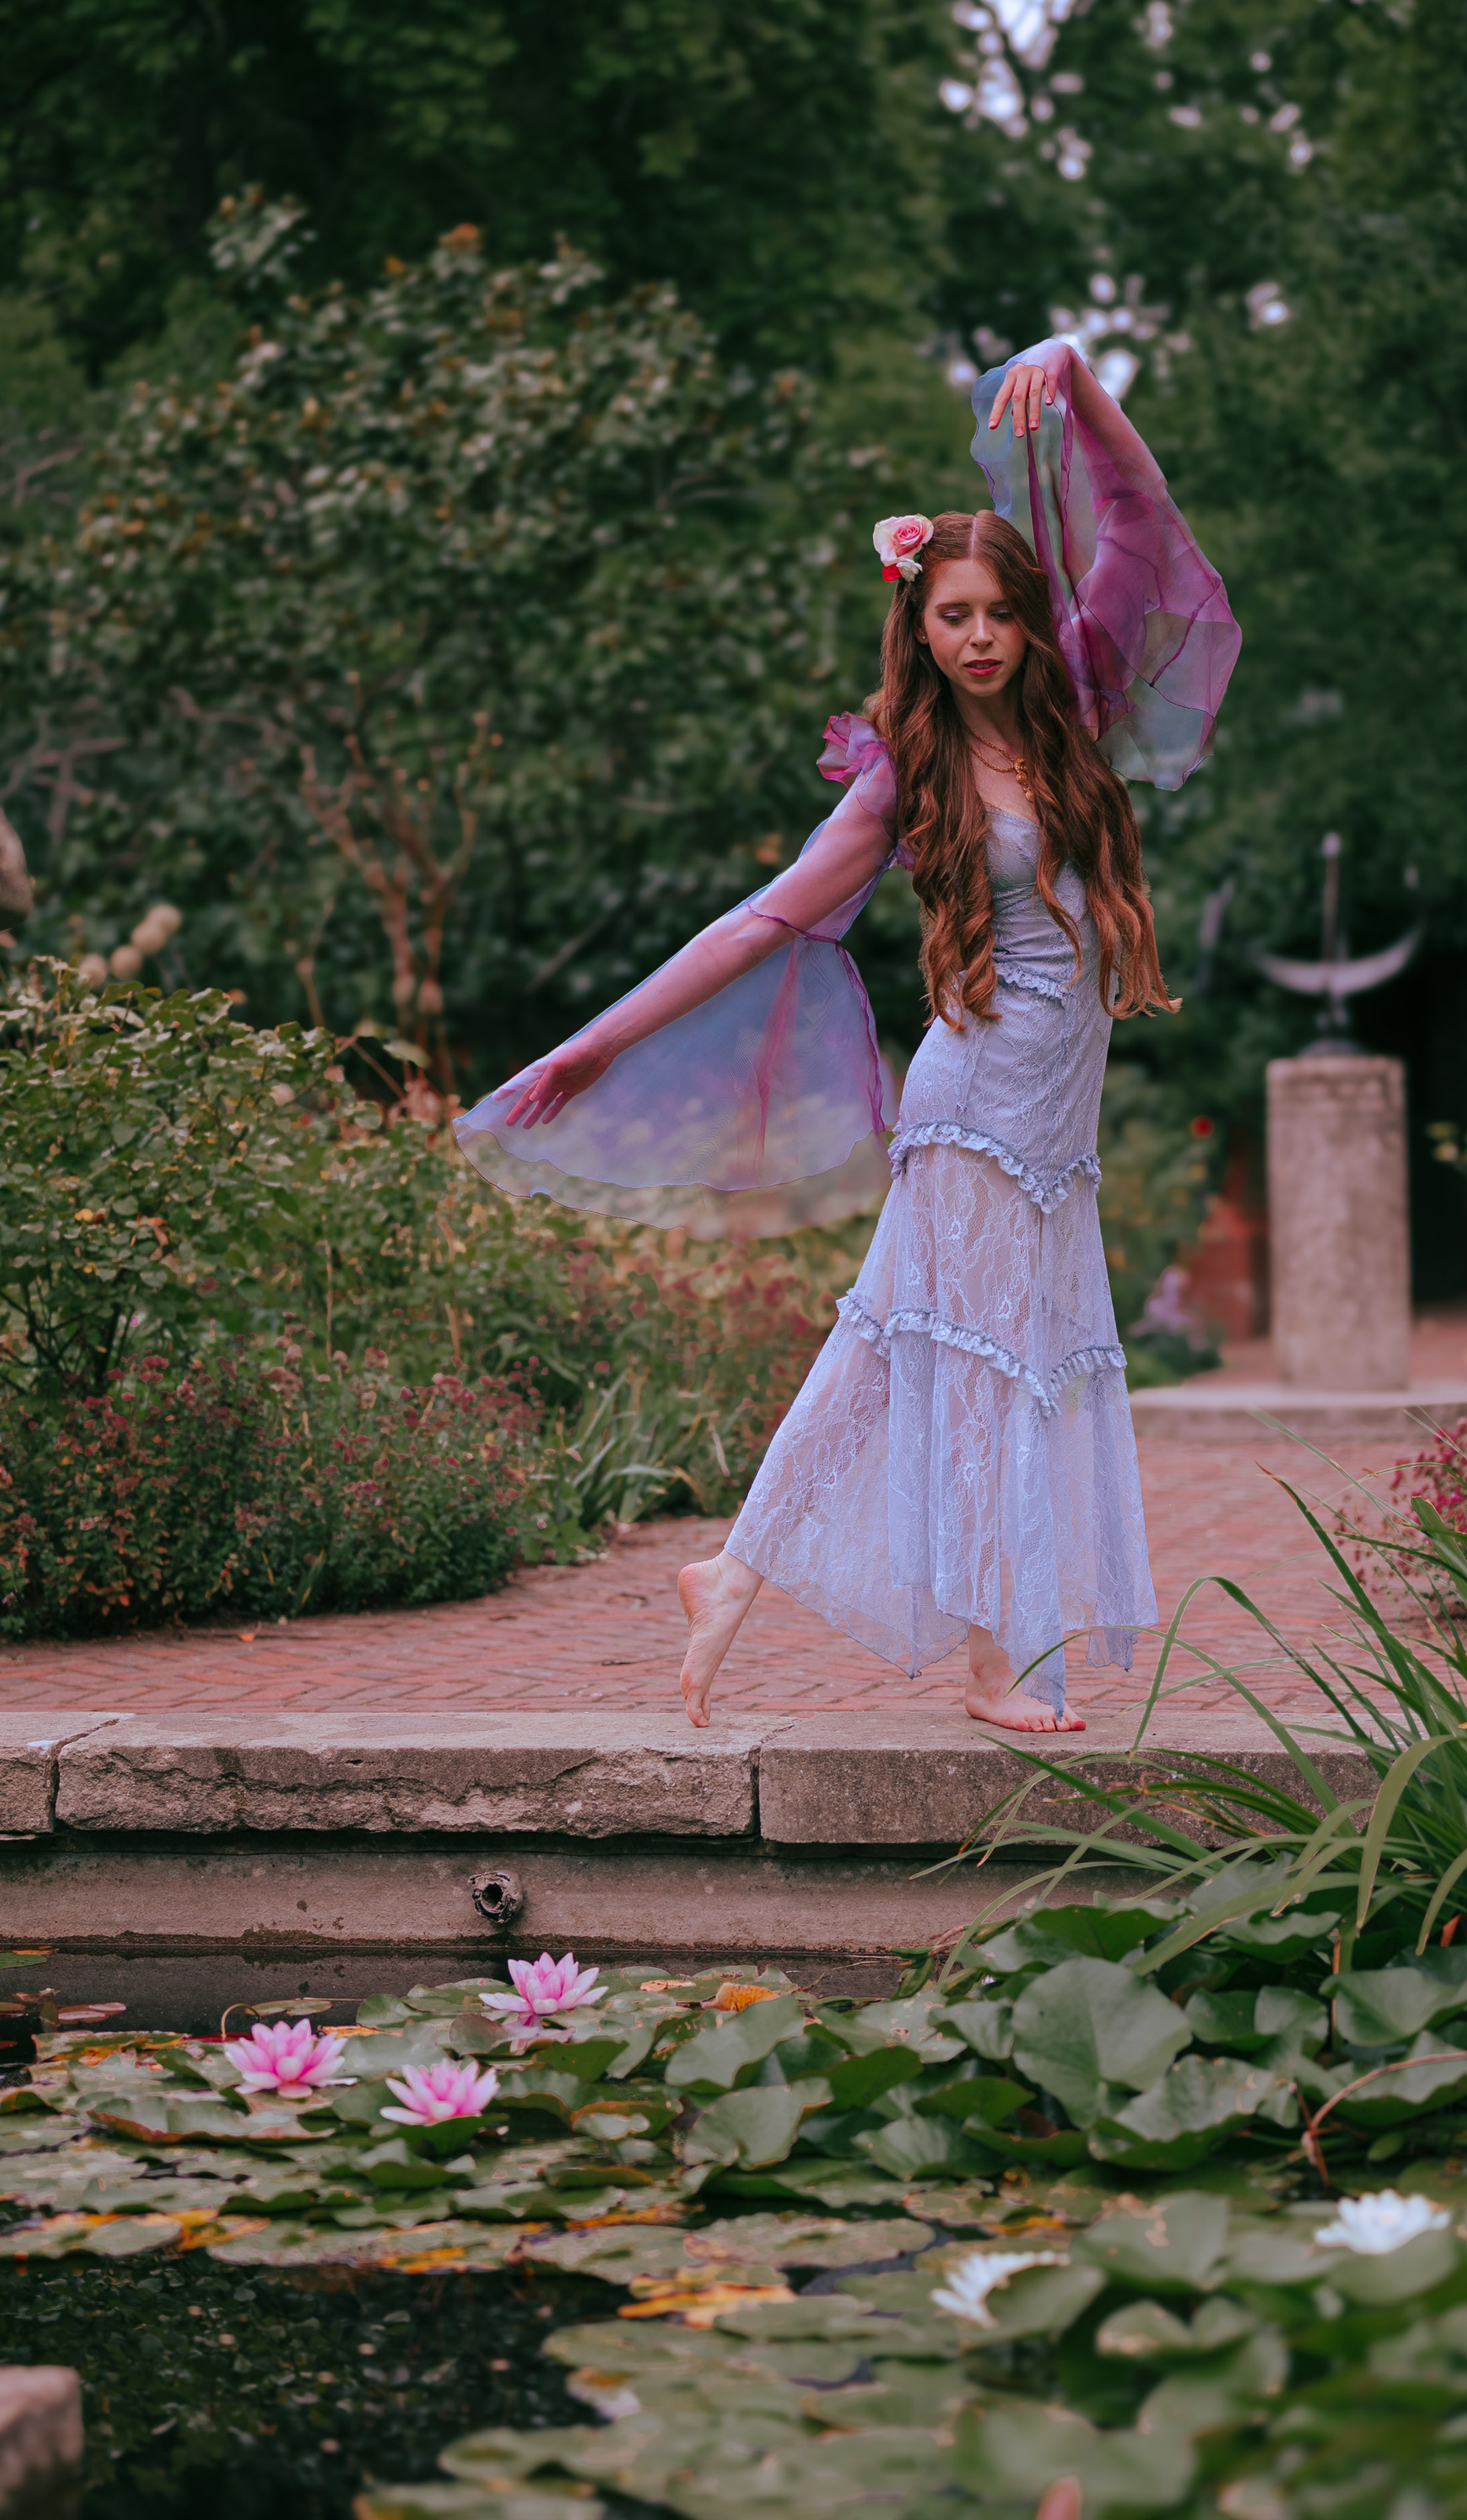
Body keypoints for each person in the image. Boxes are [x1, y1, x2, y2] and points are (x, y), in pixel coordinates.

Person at [456, 339, 1239, 1733]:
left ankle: (731, 1572)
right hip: (976, 1106)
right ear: (919, 626)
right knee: (988, 1366)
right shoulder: (905, 778)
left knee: (884, 1350)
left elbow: (1141, 513)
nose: (982, 635)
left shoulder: (1080, 699)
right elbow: (758, 925)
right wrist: (590, 1046)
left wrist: (1076, 379)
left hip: (1054, 1129)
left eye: (1000, 609)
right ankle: (996, 1663)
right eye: (954, 615)